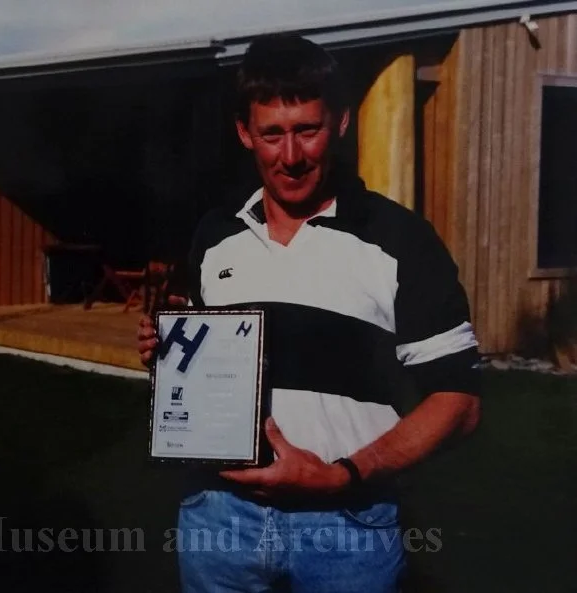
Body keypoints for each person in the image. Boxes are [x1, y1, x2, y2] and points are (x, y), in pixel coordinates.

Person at [137, 34, 481, 592]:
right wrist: (169, 352)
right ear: (245, 132)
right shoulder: (215, 235)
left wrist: (341, 475)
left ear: (340, 122)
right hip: (218, 519)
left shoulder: (401, 239)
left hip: (348, 526)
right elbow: (207, 371)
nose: (290, 156)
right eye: (272, 133)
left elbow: (459, 403)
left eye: (307, 130)